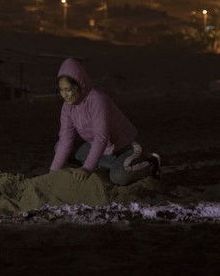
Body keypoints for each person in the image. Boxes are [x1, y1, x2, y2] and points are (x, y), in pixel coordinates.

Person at [49, 58, 161, 186]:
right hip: (105, 151)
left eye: (68, 89)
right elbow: (65, 139)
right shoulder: (67, 107)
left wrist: (87, 168)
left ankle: (150, 162)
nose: (64, 95)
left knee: (119, 177)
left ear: (79, 85)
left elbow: (101, 138)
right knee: (59, 147)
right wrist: (53, 173)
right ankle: (109, 165)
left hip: (126, 148)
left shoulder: (97, 100)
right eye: (61, 90)